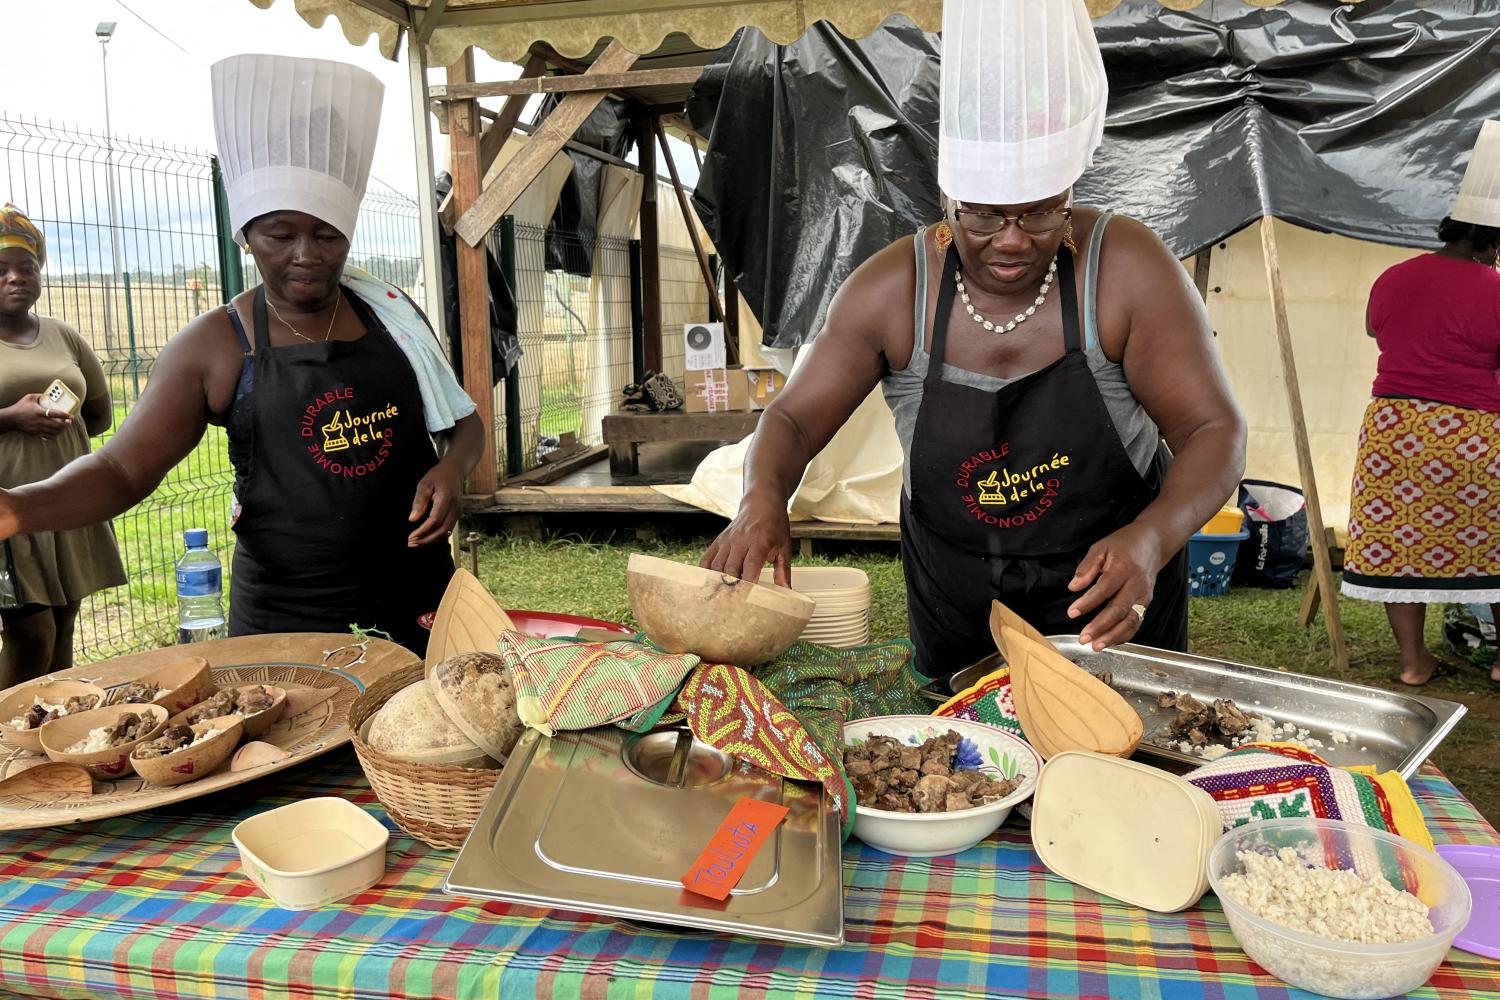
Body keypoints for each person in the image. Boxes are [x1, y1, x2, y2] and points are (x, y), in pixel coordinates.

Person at [702, 0, 1246, 678]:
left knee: (1124, 765)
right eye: (984, 217)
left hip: (1111, 591)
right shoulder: (892, 291)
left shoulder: (1126, 269)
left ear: (1069, 195)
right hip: (958, 596)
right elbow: (791, 418)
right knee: (967, 767)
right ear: (947, 202)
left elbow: (1214, 431)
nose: (1014, 240)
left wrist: (1152, 539)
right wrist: (762, 502)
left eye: (1042, 213)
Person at [0, 55, 483, 657]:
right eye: (281, 235)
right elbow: (123, 469)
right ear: (247, 236)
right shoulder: (214, 344)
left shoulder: (393, 314)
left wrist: (451, 470)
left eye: (328, 235)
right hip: (288, 617)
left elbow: (463, 422)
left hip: (418, 595)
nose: (307, 254)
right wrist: (18, 508)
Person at [1342, 119, 1500, 689]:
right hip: (1477, 433)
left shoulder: (1394, 276)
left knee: (1400, 544)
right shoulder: (1497, 289)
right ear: (1491, 240)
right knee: (1494, 546)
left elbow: (1374, 329)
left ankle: (1414, 664)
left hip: (1396, 428)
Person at [0, 204, 126, 684]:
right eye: (1, 270)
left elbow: (98, 413)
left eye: (27, 268)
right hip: (7, 511)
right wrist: (13, 419)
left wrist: (60, 426)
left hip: (64, 501)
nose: (16, 278)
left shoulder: (63, 336)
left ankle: (49, 737)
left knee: (63, 630)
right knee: (31, 636)